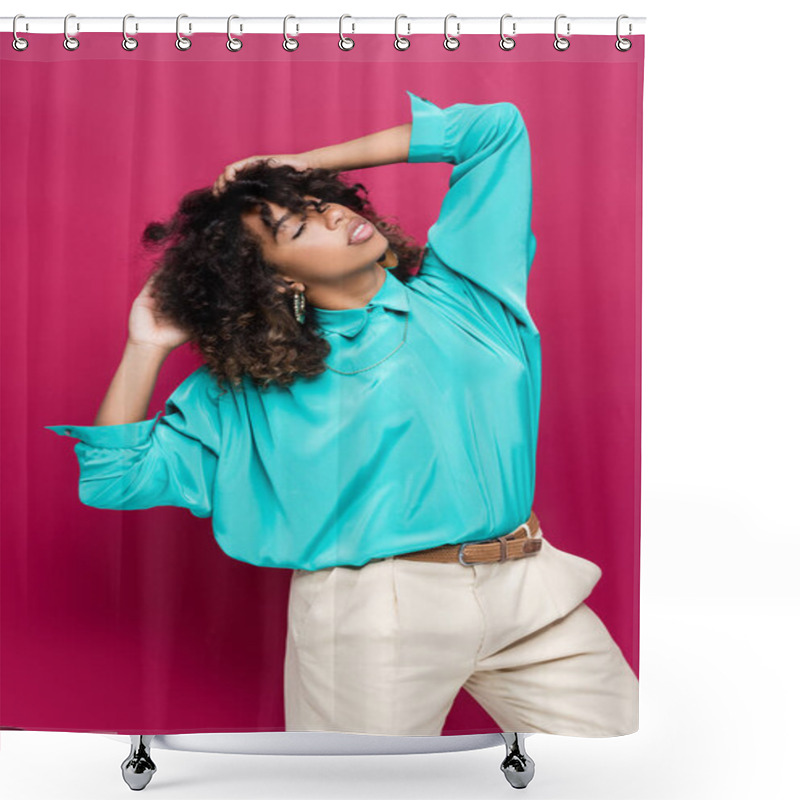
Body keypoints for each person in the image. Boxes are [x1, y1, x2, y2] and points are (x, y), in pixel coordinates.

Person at [45, 91, 638, 738]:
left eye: (317, 200)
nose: (327, 215)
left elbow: (494, 129)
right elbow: (115, 477)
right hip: (371, 617)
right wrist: (145, 346)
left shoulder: (468, 289)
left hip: (531, 587)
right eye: (296, 227)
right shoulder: (258, 390)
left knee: (624, 765)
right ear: (276, 281)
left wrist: (299, 162)